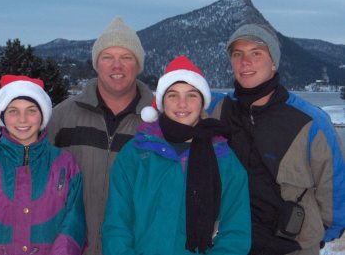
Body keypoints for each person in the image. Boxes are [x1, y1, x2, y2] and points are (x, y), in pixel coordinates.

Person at [208, 24, 345, 255]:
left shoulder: (310, 122)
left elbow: (335, 191)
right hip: (229, 246)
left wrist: (313, 236)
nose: (245, 62)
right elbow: (175, 103)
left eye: (256, 53)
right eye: (237, 54)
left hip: (290, 247)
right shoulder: (217, 110)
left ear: (273, 62)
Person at [102, 55, 251, 255]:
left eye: (191, 95)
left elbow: (235, 232)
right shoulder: (136, 153)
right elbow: (117, 226)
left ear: (202, 102)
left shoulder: (223, 158)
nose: (182, 104)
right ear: (162, 101)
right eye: (173, 95)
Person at [47, 16, 154, 255]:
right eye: (108, 57)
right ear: (97, 64)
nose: (117, 66)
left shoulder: (159, 123)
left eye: (126, 57)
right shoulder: (61, 118)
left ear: (138, 65)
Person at [0, 75, 86, 255]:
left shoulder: (65, 164)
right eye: (13, 111)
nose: (22, 119)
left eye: (31, 110)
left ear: (43, 116)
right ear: (2, 116)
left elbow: (74, 224)